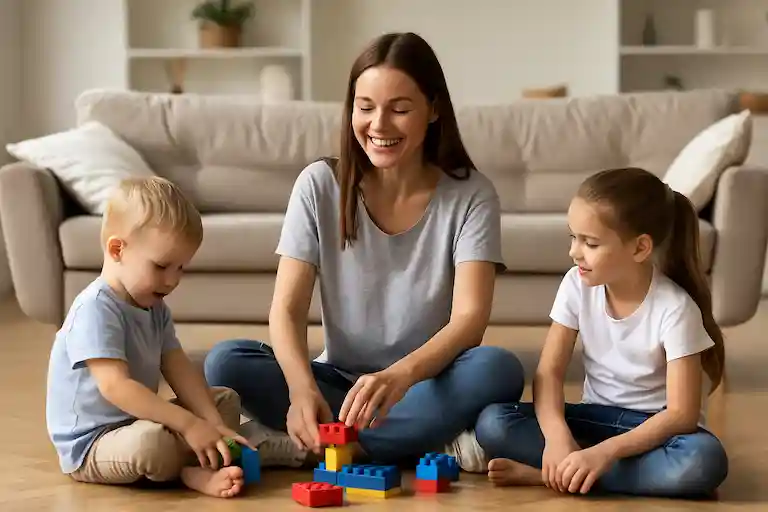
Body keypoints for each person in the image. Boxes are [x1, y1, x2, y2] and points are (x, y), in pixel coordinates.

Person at [203, 31, 524, 472]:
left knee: (497, 369)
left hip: (423, 382)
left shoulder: (472, 194)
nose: (379, 125)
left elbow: (469, 321)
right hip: (338, 383)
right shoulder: (319, 185)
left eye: (400, 109)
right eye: (365, 106)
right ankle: (419, 438)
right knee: (227, 362)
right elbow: (286, 310)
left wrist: (400, 376)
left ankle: (334, 446)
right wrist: (301, 391)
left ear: (432, 110)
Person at [474, 167, 729, 497]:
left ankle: (552, 475)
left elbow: (681, 414)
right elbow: (548, 373)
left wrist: (604, 453)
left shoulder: (676, 309)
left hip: (654, 432)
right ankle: (575, 468)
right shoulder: (576, 285)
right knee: (494, 422)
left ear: (640, 248)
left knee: (704, 461)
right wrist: (556, 438)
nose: (574, 252)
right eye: (573, 237)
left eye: (590, 243)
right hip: (593, 419)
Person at [46, 176, 252, 498]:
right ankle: (187, 471)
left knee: (224, 400)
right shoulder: (95, 308)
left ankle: (202, 450)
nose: (172, 280)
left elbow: (177, 365)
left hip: (138, 420)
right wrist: (187, 424)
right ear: (117, 249)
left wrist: (210, 422)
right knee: (151, 444)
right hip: (94, 443)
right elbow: (116, 387)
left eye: (181, 268)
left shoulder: (154, 306)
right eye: (161, 266)